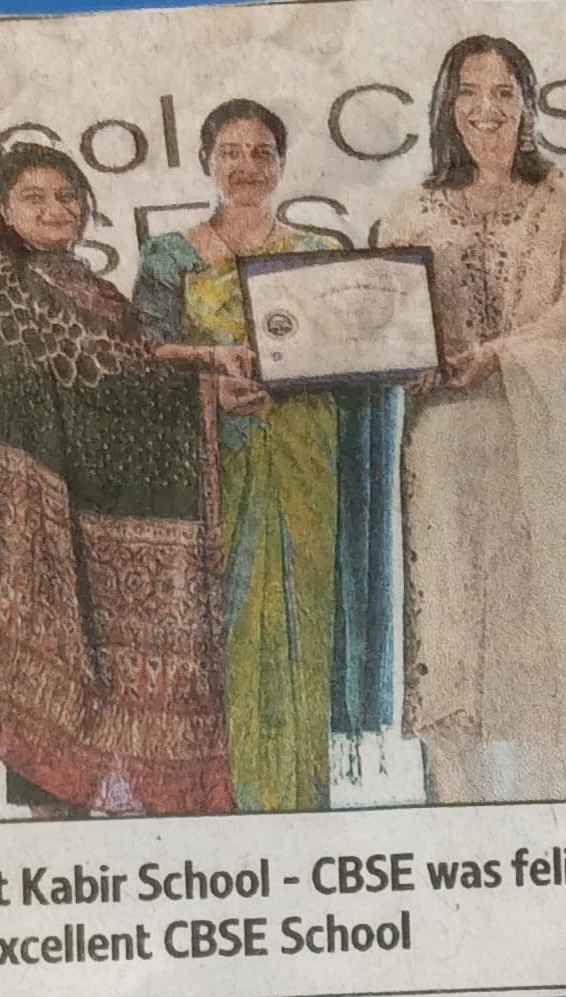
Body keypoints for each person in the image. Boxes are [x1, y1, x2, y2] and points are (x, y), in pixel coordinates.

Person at [382, 35, 566, 804]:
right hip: (445, 445)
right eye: (469, 92)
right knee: (452, 620)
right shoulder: (409, 209)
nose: (486, 109)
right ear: (447, 105)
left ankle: (552, 817)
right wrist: (407, 361)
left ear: (529, 103)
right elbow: (389, 321)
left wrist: (501, 354)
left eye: (504, 92)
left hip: (546, 441)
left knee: (543, 621)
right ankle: (460, 813)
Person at [133, 99, 396, 813]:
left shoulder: (317, 250)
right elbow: (142, 358)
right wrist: (211, 388)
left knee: (306, 617)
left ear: (281, 164)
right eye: (230, 151)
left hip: (308, 454)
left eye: (262, 152)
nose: (246, 166)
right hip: (219, 461)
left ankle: (301, 804)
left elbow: (354, 352)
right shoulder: (170, 256)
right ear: (206, 161)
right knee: (228, 620)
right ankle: (231, 804)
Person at [0, 143, 232, 818]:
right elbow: (92, 383)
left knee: (105, 703)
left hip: (105, 509)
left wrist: (204, 370)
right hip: (47, 516)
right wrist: (203, 389)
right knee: (53, 710)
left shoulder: (92, 286)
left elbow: (135, 363)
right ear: (2, 209)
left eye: (67, 195)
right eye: (34, 197)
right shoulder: (6, 288)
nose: (55, 209)